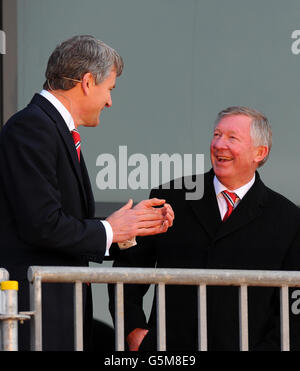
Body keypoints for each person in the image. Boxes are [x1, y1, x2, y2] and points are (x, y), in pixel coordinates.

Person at [0, 35, 174, 351]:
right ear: (87, 81)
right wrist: (109, 229)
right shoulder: (32, 127)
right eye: (109, 89)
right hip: (36, 314)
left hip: (56, 313)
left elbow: (62, 223)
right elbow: (42, 224)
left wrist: (126, 230)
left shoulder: (52, 129)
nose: (109, 101)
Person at [109, 106, 300, 351]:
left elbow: (294, 307)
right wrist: (134, 331)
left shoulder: (287, 218)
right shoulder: (171, 197)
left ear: (259, 153)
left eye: (232, 138)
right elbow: (127, 271)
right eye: (217, 134)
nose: (220, 144)